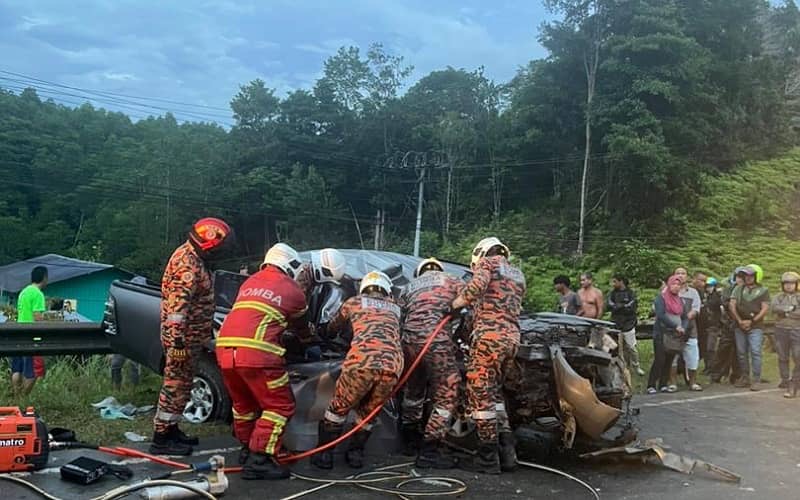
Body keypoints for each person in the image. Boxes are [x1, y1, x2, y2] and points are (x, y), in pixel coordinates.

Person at [216, 243, 311, 480]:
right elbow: (301, 326)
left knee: (244, 405)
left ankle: (247, 449)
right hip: (258, 353)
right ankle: (260, 459)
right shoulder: (292, 289)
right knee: (279, 406)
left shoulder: (249, 282)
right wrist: (311, 340)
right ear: (291, 265)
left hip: (225, 349)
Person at [151, 217, 233, 456]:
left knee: (183, 386)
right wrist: (177, 343)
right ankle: (161, 438)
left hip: (190, 339)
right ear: (209, 243)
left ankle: (172, 429)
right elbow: (177, 310)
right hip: (182, 340)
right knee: (174, 386)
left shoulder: (195, 259)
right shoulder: (187, 265)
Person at [312, 271, 403, 470]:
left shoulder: (354, 302)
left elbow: (333, 327)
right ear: (387, 290)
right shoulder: (396, 307)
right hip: (392, 366)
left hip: (361, 362)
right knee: (368, 413)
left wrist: (322, 334)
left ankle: (324, 455)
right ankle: (355, 455)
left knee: (338, 408)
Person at [450, 237, 526, 474]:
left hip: (489, 338)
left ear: (480, 254)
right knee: (495, 395)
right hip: (511, 340)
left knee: (480, 395)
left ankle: (487, 458)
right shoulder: (517, 274)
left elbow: (475, 288)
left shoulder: (488, 263)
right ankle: (507, 452)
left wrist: (454, 304)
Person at [399, 258, 463, 469]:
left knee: (413, 391)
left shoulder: (409, 287)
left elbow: (399, 317)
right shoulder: (452, 280)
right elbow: (469, 303)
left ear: (420, 272)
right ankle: (430, 450)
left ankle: (408, 441)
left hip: (410, 344)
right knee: (447, 393)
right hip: (438, 343)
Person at [729, 264, 770, 391]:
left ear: (756, 276)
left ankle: (756, 379)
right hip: (739, 324)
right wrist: (740, 321)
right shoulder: (738, 289)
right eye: (745, 275)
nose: (748, 277)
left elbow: (765, 308)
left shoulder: (763, 290)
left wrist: (752, 321)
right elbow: (732, 305)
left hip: (756, 325)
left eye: (751, 275)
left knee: (755, 351)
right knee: (741, 352)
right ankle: (745, 377)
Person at [646, 275, 689, 394]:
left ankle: (663, 384)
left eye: (678, 285)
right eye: (674, 284)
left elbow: (685, 317)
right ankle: (651, 384)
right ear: (669, 285)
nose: (676, 287)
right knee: (660, 359)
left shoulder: (680, 300)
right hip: (661, 332)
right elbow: (661, 315)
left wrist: (683, 327)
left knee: (669, 360)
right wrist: (675, 326)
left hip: (674, 335)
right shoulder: (661, 298)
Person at [11, 266, 48, 395]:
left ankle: (16, 397)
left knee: (17, 369)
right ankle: (23, 398)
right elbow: (37, 316)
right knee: (33, 372)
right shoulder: (38, 294)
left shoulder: (23, 292)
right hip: (31, 336)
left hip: (18, 333)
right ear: (44, 277)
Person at [710, 269, 744, 384]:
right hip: (729, 323)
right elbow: (726, 304)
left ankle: (737, 375)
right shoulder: (729, 289)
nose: (740, 279)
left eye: (742, 277)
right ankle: (716, 374)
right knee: (723, 349)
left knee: (739, 351)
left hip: (741, 324)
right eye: (738, 277)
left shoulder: (749, 290)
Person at [771, 271, 800, 398]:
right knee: (782, 356)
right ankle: (785, 379)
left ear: (796, 284)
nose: (789, 285)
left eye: (792, 283)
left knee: (798, 356)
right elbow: (774, 308)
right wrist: (789, 310)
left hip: (797, 330)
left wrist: (785, 312)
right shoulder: (778, 297)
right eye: (786, 283)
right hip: (781, 329)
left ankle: (795, 381)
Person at [607, 275, 644, 376]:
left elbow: (631, 307)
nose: (613, 284)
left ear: (621, 282)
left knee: (631, 347)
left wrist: (619, 306)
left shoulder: (631, 293)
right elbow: (609, 306)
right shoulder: (612, 294)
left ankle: (636, 366)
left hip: (629, 324)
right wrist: (621, 306)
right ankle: (621, 368)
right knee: (617, 348)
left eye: (615, 281)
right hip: (616, 324)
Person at [673, 267, 702, 391]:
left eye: (683, 273)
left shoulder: (693, 292)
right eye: (678, 273)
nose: (680, 275)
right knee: (672, 358)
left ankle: (693, 382)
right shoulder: (668, 291)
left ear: (687, 276)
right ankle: (672, 383)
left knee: (693, 357)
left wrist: (685, 320)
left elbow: (696, 309)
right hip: (673, 330)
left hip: (690, 330)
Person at [700, 277, 724, 375]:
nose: (708, 288)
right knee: (705, 348)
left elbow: (720, 308)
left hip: (714, 325)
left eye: (710, 286)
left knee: (710, 348)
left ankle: (712, 367)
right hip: (705, 325)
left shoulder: (717, 297)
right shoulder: (706, 296)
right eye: (707, 286)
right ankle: (708, 367)